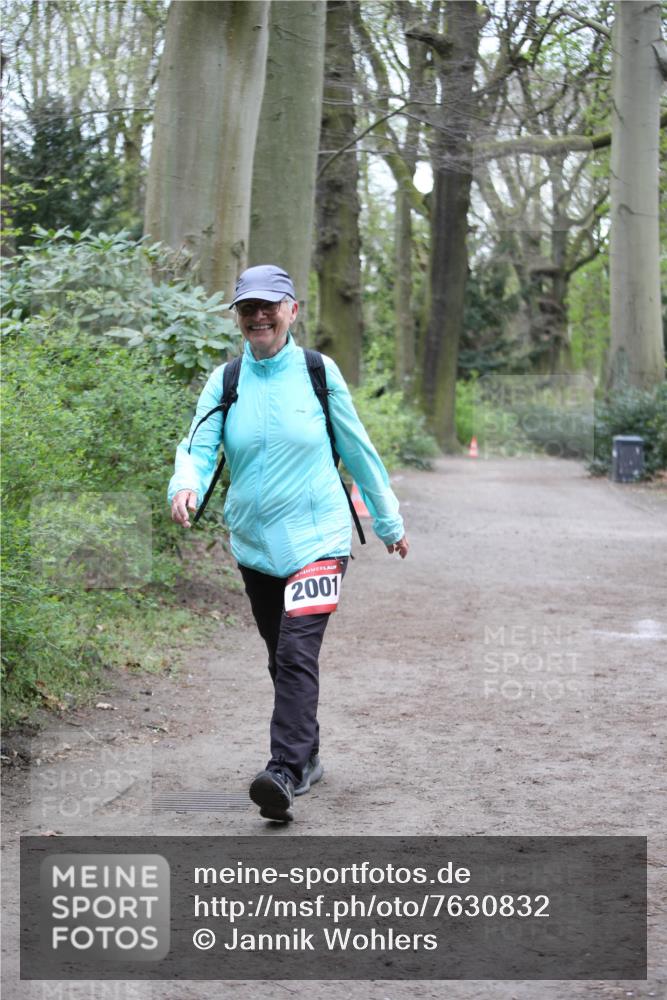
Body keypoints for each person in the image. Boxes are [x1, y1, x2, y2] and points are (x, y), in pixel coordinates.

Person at [169, 264, 408, 822]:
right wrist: (186, 485)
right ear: (238, 317)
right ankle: (310, 755)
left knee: (297, 652)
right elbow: (199, 447)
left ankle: (284, 769)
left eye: (269, 305)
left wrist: (389, 523)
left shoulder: (318, 372)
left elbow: (357, 449)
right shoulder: (225, 381)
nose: (258, 315)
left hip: (320, 537)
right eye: (247, 307)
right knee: (281, 657)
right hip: (254, 544)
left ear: (291, 311)